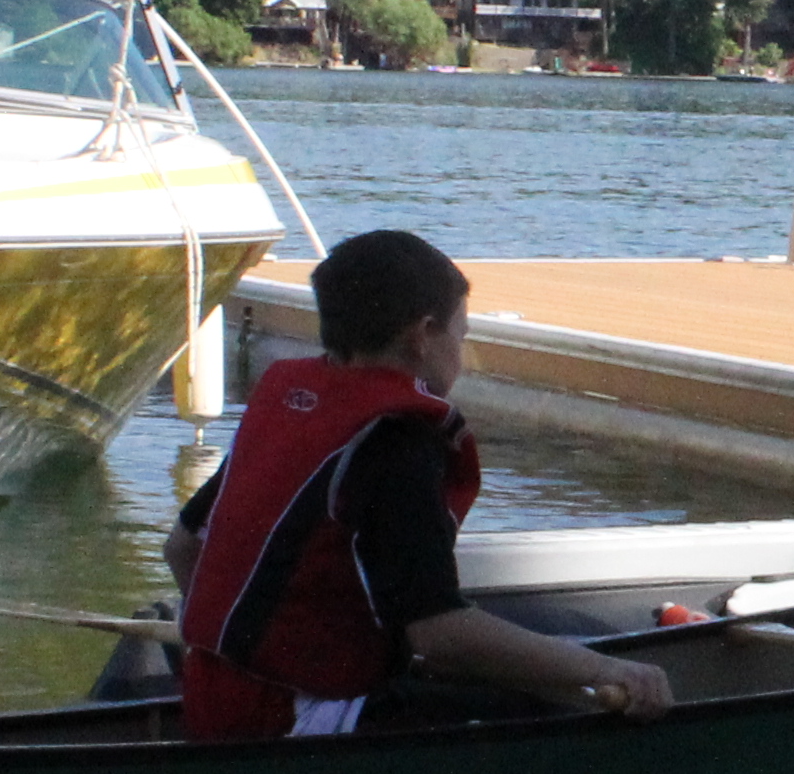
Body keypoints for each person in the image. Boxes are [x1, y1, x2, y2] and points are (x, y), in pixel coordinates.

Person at [174, 227, 675, 738]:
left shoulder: (288, 400)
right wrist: (605, 670)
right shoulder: (395, 438)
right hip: (293, 719)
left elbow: (183, 548)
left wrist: (240, 646)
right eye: (460, 336)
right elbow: (441, 634)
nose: (460, 352)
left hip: (209, 698)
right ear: (423, 333)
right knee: (547, 714)